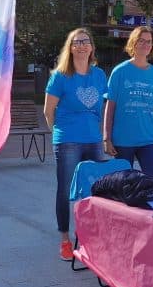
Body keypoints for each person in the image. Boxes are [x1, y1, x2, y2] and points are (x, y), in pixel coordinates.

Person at [43, 28, 107, 262]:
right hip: (68, 140)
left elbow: (101, 107)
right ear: (69, 48)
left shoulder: (99, 75)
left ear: (91, 47)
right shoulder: (60, 76)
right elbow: (48, 111)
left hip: (93, 140)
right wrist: (59, 135)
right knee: (66, 190)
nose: (81, 45)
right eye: (76, 42)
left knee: (97, 189)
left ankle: (91, 238)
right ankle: (65, 240)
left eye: (85, 41)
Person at [102, 26, 153, 183]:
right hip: (123, 139)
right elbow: (110, 106)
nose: (145, 45)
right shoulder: (119, 71)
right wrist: (107, 138)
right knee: (123, 186)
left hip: (148, 139)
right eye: (141, 41)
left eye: (149, 42)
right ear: (133, 43)